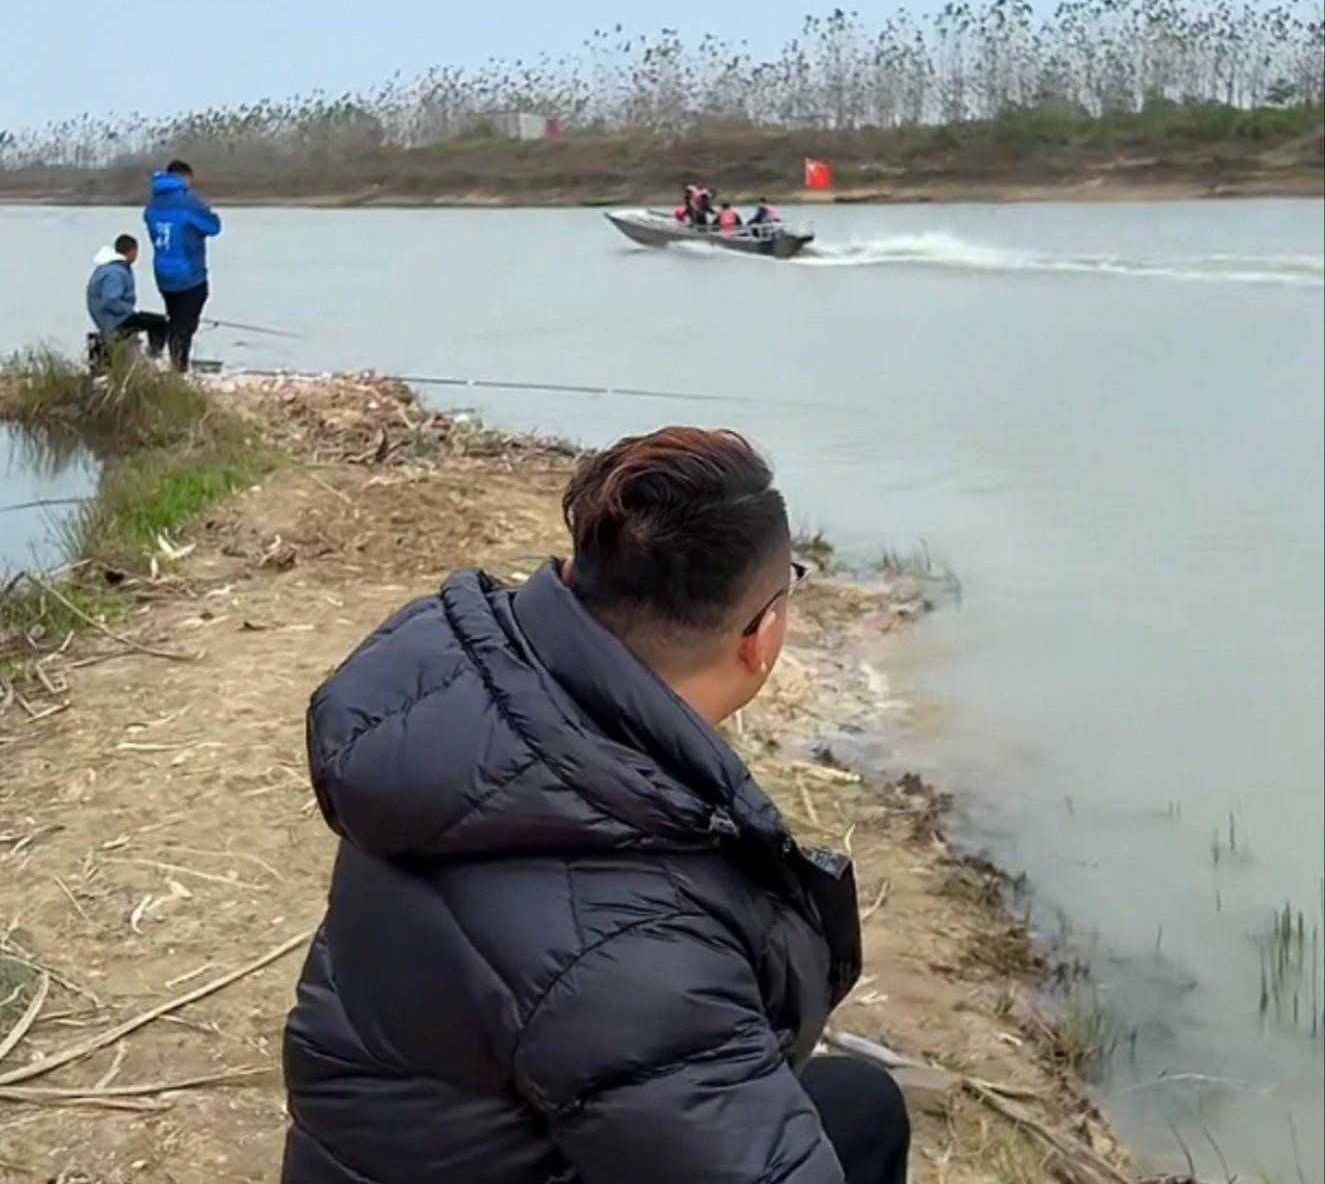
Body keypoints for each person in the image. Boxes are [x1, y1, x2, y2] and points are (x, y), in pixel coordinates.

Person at [282, 426, 911, 1184]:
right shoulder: (637, 940)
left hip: (399, 1144)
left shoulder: (463, 722)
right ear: (762, 636)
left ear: (576, 570)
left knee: (856, 1105)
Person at [143, 159, 221, 372]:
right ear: (185, 177)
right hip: (189, 273)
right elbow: (213, 227)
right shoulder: (189, 202)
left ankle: (170, 361)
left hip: (163, 274)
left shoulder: (152, 205)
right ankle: (179, 369)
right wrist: (208, 211)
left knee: (176, 319)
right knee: (184, 325)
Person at [85, 234, 168, 358]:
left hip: (106, 317)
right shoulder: (116, 272)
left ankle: (150, 355)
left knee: (149, 320)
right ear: (132, 251)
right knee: (161, 322)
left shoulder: (109, 267)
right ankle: (154, 356)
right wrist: (131, 311)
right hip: (114, 319)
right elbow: (110, 300)